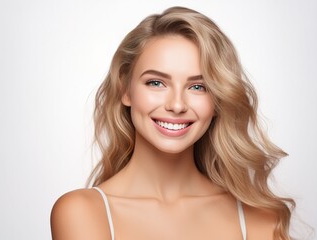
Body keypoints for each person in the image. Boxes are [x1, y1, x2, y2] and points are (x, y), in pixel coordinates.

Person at [51, 6, 294, 240]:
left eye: (198, 87)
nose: (177, 105)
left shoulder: (260, 216)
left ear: (218, 99)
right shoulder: (83, 213)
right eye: (156, 83)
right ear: (125, 89)